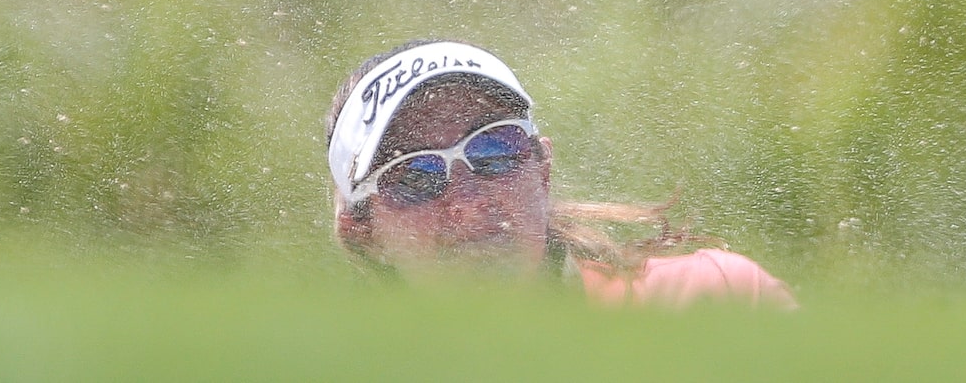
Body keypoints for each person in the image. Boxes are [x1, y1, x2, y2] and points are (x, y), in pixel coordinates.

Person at [326, 40, 794, 305]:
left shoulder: (710, 302)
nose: (468, 202)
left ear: (541, 169)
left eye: (494, 148)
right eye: (414, 176)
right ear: (364, 233)